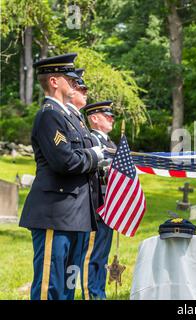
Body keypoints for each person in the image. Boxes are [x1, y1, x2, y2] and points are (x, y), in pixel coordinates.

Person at [19, 53, 105, 300]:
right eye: (70, 78)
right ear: (55, 81)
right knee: (51, 285)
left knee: (67, 286)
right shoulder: (49, 115)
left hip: (76, 214)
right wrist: (95, 156)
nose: (75, 83)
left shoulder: (70, 118)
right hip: (55, 214)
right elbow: (64, 161)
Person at [80, 100, 117, 299]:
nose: (112, 119)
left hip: (109, 208)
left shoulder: (110, 142)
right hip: (97, 208)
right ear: (94, 118)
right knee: (92, 257)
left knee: (102, 256)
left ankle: (98, 292)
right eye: (107, 115)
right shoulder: (92, 140)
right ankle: (92, 293)